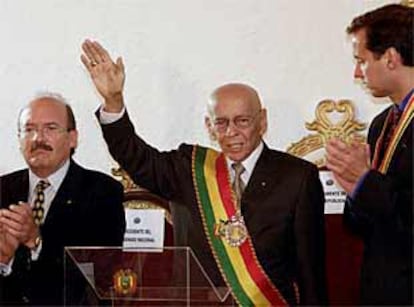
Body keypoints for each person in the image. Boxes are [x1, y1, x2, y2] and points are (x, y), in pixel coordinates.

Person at [81, 40, 327, 305]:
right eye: (221, 123)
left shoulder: (298, 177)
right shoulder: (190, 169)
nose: (231, 132)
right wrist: (114, 101)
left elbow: (310, 271)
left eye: (242, 121)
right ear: (209, 127)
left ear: (262, 120)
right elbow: (136, 157)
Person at [0, 93, 126, 305]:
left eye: (50, 128)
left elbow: (99, 276)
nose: (38, 138)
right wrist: (4, 261)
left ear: (72, 138)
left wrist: (36, 241)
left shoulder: (103, 192)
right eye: (29, 129)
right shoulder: (3, 189)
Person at [326, 4, 413, 305]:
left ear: (389, 58)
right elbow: (365, 226)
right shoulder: (381, 123)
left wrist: (365, 181)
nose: (356, 72)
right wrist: (355, 190)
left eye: (360, 61)